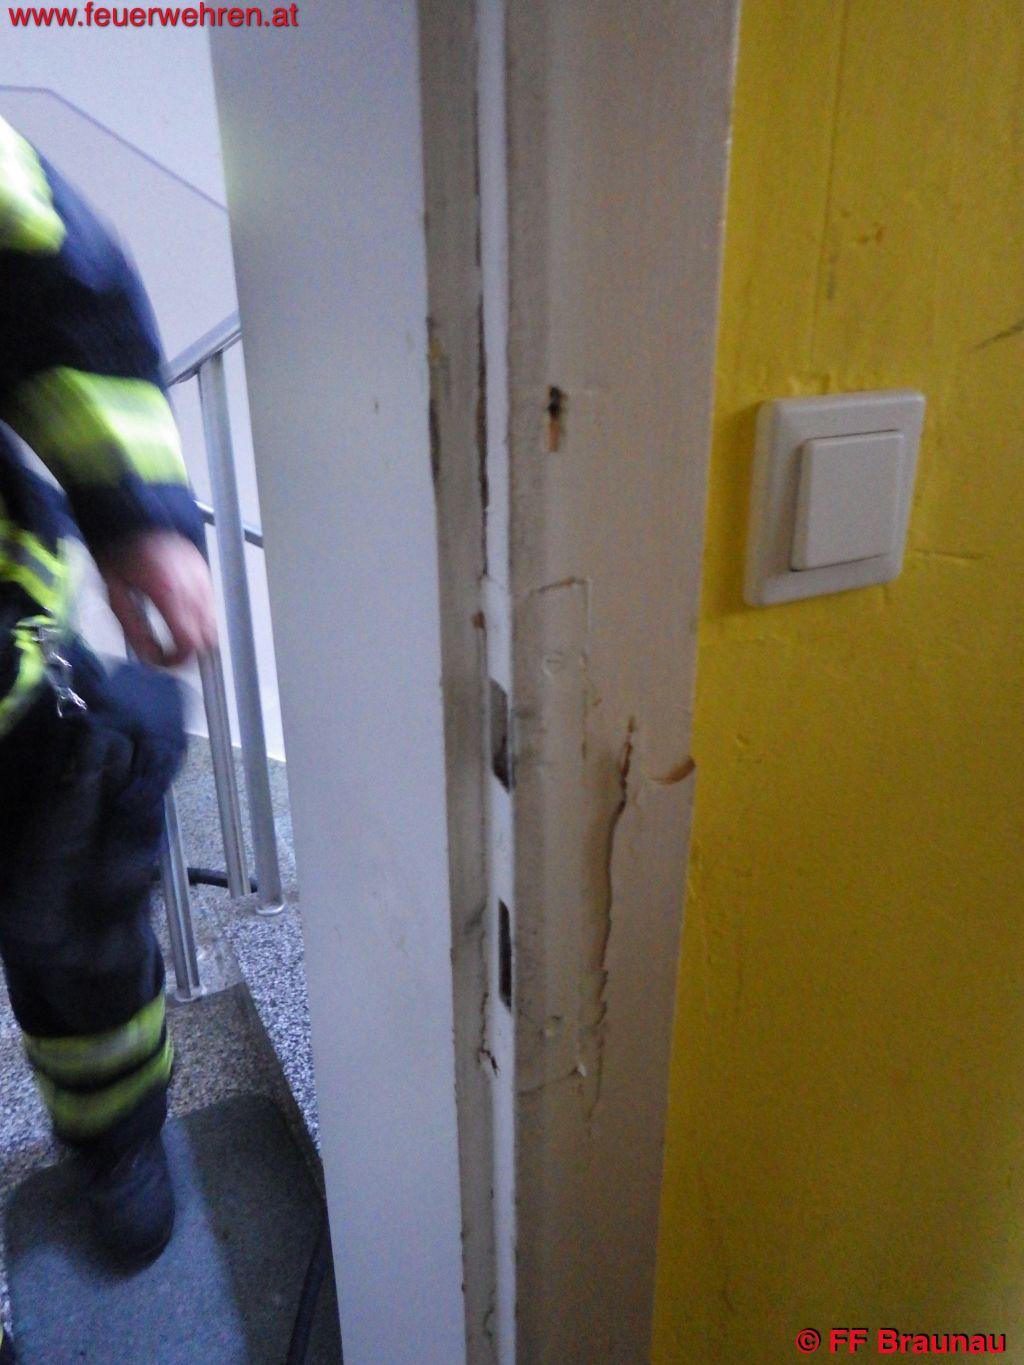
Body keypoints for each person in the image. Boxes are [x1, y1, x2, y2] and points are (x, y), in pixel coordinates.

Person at [0, 116, 217, 1360]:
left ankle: (117, 1140)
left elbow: (48, 278)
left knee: (83, 936)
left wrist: (137, 513)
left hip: (14, 690)